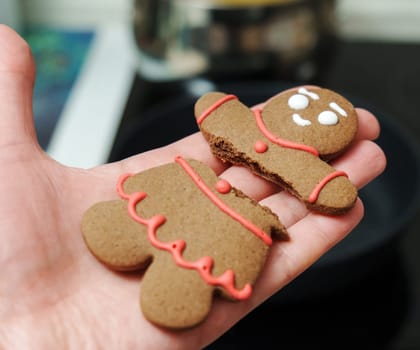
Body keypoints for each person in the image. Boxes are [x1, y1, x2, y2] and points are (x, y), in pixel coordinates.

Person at [0, 24, 386, 349]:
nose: (313, 111)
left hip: (230, 230)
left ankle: (178, 285)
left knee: (185, 283)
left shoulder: (302, 167)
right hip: (188, 194)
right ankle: (130, 232)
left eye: (327, 117)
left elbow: (329, 188)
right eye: (306, 103)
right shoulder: (237, 124)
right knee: (123, 221)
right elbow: (215, 107)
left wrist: (323, 182)